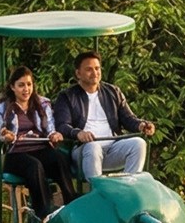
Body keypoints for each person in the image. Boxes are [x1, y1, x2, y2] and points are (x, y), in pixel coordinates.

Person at [0, 65, 77, 219]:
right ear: (12, 87)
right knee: (34, 166)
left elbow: (50, 128)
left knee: (59, 158)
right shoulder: (1, 107)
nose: (26, 89)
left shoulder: (42, 104)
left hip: (39, 148)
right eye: (21, 85)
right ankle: (43, 212)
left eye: (29, 84)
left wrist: (54, 134)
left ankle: (72, 202)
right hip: (16, 153)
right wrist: (4, 137)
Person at [51, 51, 154, 181]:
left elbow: (128, 118)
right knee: (93, 146)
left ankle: (129, 187)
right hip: (84, 151)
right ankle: (98, 193)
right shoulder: (67, 96)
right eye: (89, 69)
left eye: (97, 68)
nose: (95, 73)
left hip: (113, 149)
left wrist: (141, 125)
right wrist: (78, 133)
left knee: (138, 143)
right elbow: (62, 125)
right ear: (78, 73)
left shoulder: (113, 92)